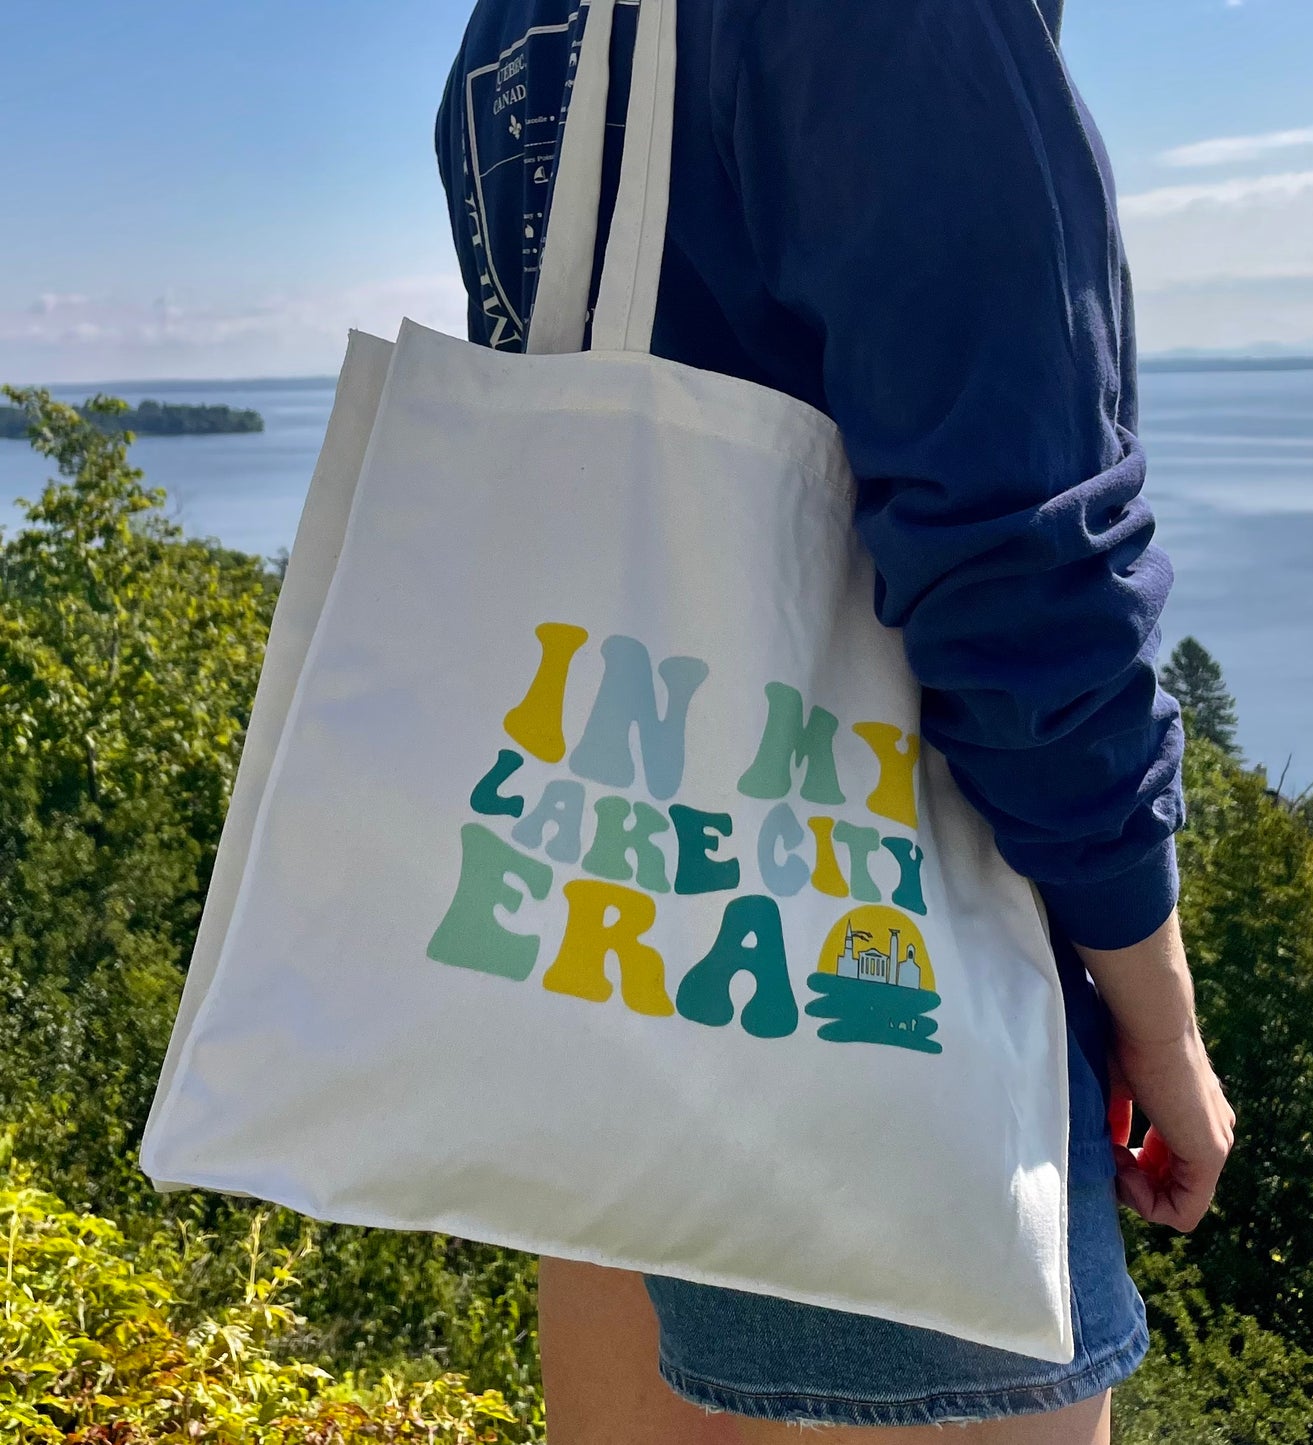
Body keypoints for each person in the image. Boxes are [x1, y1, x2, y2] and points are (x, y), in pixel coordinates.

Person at [436, 0, 1236, 1438]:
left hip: (611, 933)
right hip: (873, 1001)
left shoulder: (525, 25)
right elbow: (1024, 565)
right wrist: (1157, 1019)